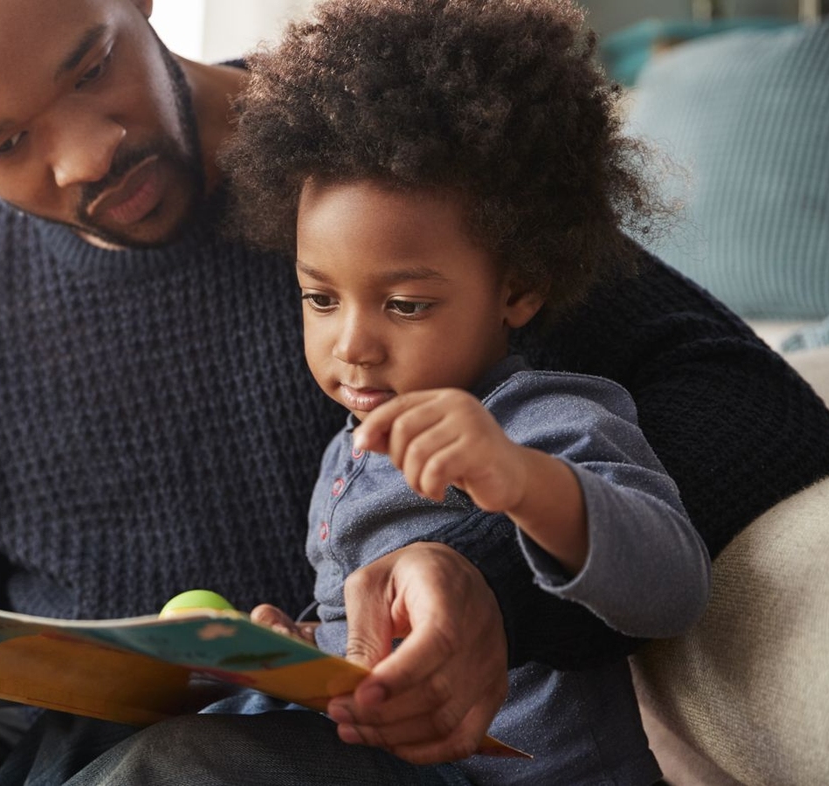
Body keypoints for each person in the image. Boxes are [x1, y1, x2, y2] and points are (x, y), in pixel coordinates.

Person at [0, 0, 829, 783]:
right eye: (3, 142)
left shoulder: (387, 186)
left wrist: (501, 600)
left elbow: (757, 408)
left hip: (321, 754)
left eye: (89, 60)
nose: (90, 147)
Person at [222, 1, 709, 781]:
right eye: (321, 298)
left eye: (406, 304)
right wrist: (298, 652)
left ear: (518, 289)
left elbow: (674, 587)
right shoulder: (344, 457)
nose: (351, 344)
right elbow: (376, 653)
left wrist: (522, 481)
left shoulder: (545, 419)